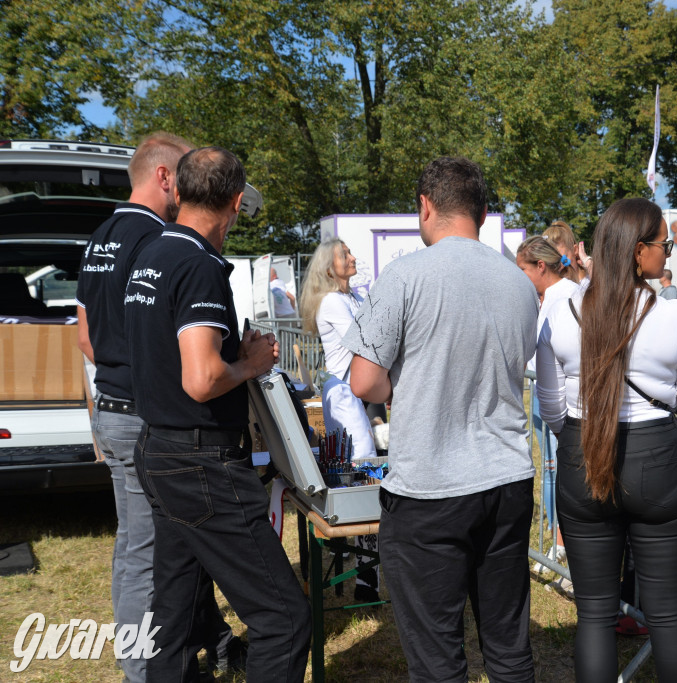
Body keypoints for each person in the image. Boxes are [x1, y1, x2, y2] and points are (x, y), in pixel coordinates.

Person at [343, 157, 538, 682]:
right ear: (481, 211)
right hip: (506, 477)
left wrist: (404, 390)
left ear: (426, 207)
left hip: (431, 487)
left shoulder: (405, 274)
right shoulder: (520, 283)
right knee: (508, 645)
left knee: (437, 658)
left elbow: (364, 382)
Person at [125, 147, 311, 683]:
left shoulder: (152, 254)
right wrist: (250, 363)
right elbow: (201, 378)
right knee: (284, 619)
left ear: (178, 192)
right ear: (234, 203)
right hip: (200, 461)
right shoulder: (199, 265)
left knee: (176, 618)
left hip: (159, 449)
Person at [75, 132, 244, 682]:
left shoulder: (102, 234)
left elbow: (86, 338)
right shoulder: (159, 239)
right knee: (154, 556)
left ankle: (180, 649)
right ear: (166, 178)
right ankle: (145, 669)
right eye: (183, 178)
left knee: (138, 547)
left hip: (111, 403)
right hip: (145, 413)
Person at [536, 197, 677, 682]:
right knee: (668, 613)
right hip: (657, 458)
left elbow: (551, 405)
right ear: (637, 251)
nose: (669, 253)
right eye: (663, 243)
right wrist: (666, 451)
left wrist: (575, 439)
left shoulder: (561, 309)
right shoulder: (674, 316)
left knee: (594, 613)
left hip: (580, 452)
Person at [299, 237, 380, 603]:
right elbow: (367, 340)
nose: (353, 257)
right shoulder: (333, 301)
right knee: (362, 478)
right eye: (345, 254)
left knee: (357, 475)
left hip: (352, 394)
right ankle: (365, 580)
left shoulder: (351, 297)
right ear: (330, 267)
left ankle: (364, 574)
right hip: (345, 397)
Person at [516, 236, 579, 563]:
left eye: (522, 269)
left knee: (559, 471)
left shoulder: (559, 298)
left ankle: (564, 542)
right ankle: (561, 540)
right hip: (554, 398)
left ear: (541, 266)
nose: (519, 277)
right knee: (556, 471)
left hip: (560, 401)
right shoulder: (562, 293)